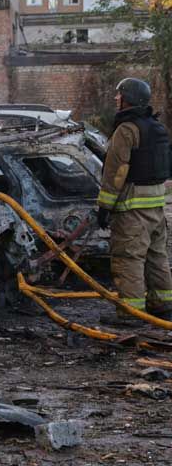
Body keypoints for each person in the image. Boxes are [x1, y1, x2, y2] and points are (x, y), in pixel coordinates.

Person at [95, 77, 172, 322]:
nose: (116, 98)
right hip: (157, 206)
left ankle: (131, 313)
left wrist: (104, 207)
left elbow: (116, 172)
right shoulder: (156, 127)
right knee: (156, 256)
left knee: (129, 258)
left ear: (129, 99)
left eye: (120, 94)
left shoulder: (126, 129)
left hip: (132, 209)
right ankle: (163, 305)